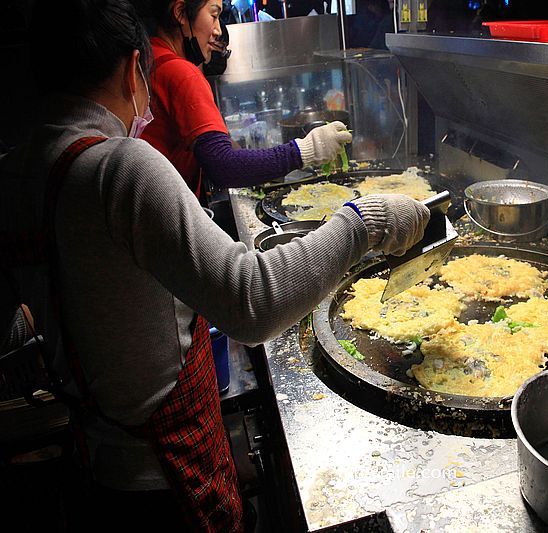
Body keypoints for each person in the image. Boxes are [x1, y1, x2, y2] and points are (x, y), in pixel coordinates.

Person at [0, 0, 429, 531]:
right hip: (163, 474)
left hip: (93, 461)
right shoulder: (121, 167)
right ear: (133, 68)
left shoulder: (16, 171)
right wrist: (364, 222)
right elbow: (253, 303)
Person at [137, 0, 350, 199]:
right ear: (180, 13)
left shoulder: (151, 56)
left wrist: (262, 165)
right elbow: (223, 165)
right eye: (214, 15)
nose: (218, 30)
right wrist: (306, 150)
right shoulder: (180, 72)